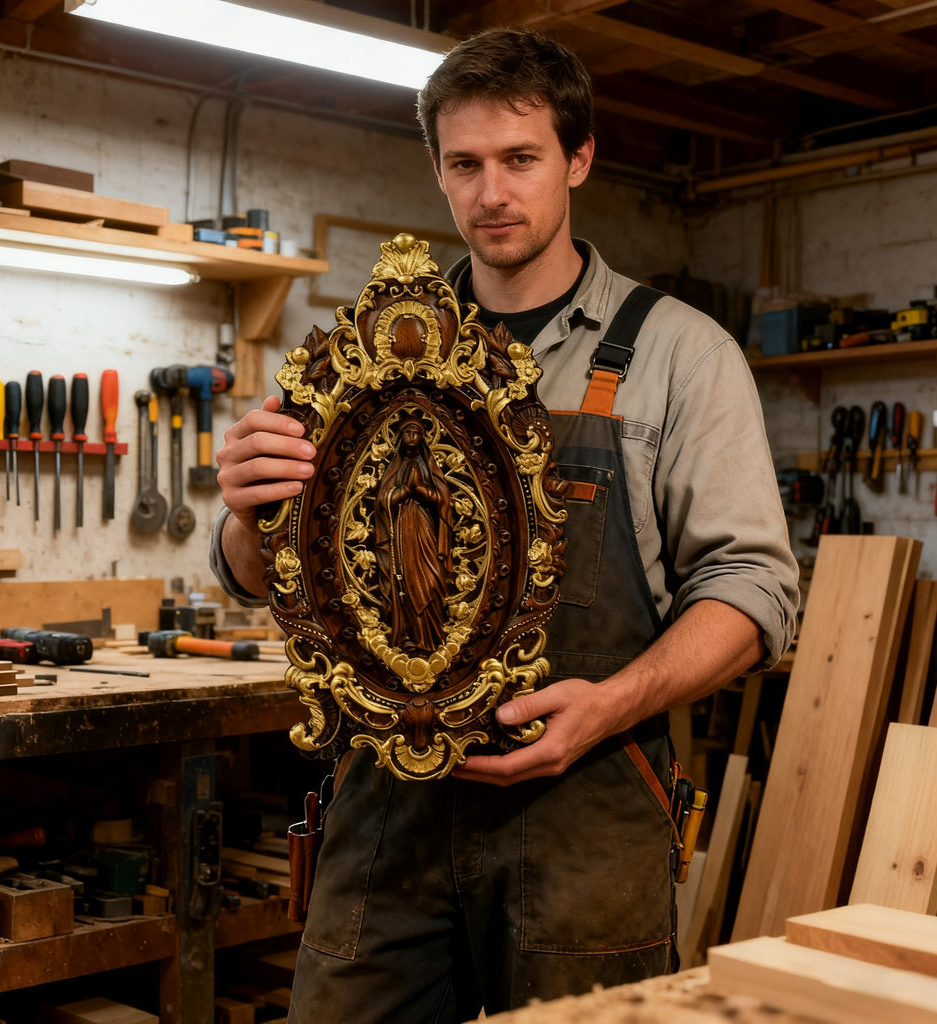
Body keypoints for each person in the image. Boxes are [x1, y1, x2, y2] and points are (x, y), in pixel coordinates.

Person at [210, 26, 799, 1024]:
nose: (491, 192)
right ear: (438, 170)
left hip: (585, 810)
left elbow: (756, 593)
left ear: (578, 158)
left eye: (520, 158)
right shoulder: (364, 357)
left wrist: (609, 705)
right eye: (464, 164)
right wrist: (245, 513)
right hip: (388, 812)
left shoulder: (678, 356)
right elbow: (257, 572)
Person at [374, 417, 452, 652]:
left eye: (416, 432)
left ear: (423, 437)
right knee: (405, 583)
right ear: (400, 437)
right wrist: (405, 489)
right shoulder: (394, 468)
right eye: (407, 432)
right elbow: (383, 501)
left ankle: (433, 637)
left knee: (431, 579)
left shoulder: (429, 466)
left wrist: (419, 489)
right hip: (401, 530)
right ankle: (409, 637)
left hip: (424, 524)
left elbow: (442, 501)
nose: (411, 436)